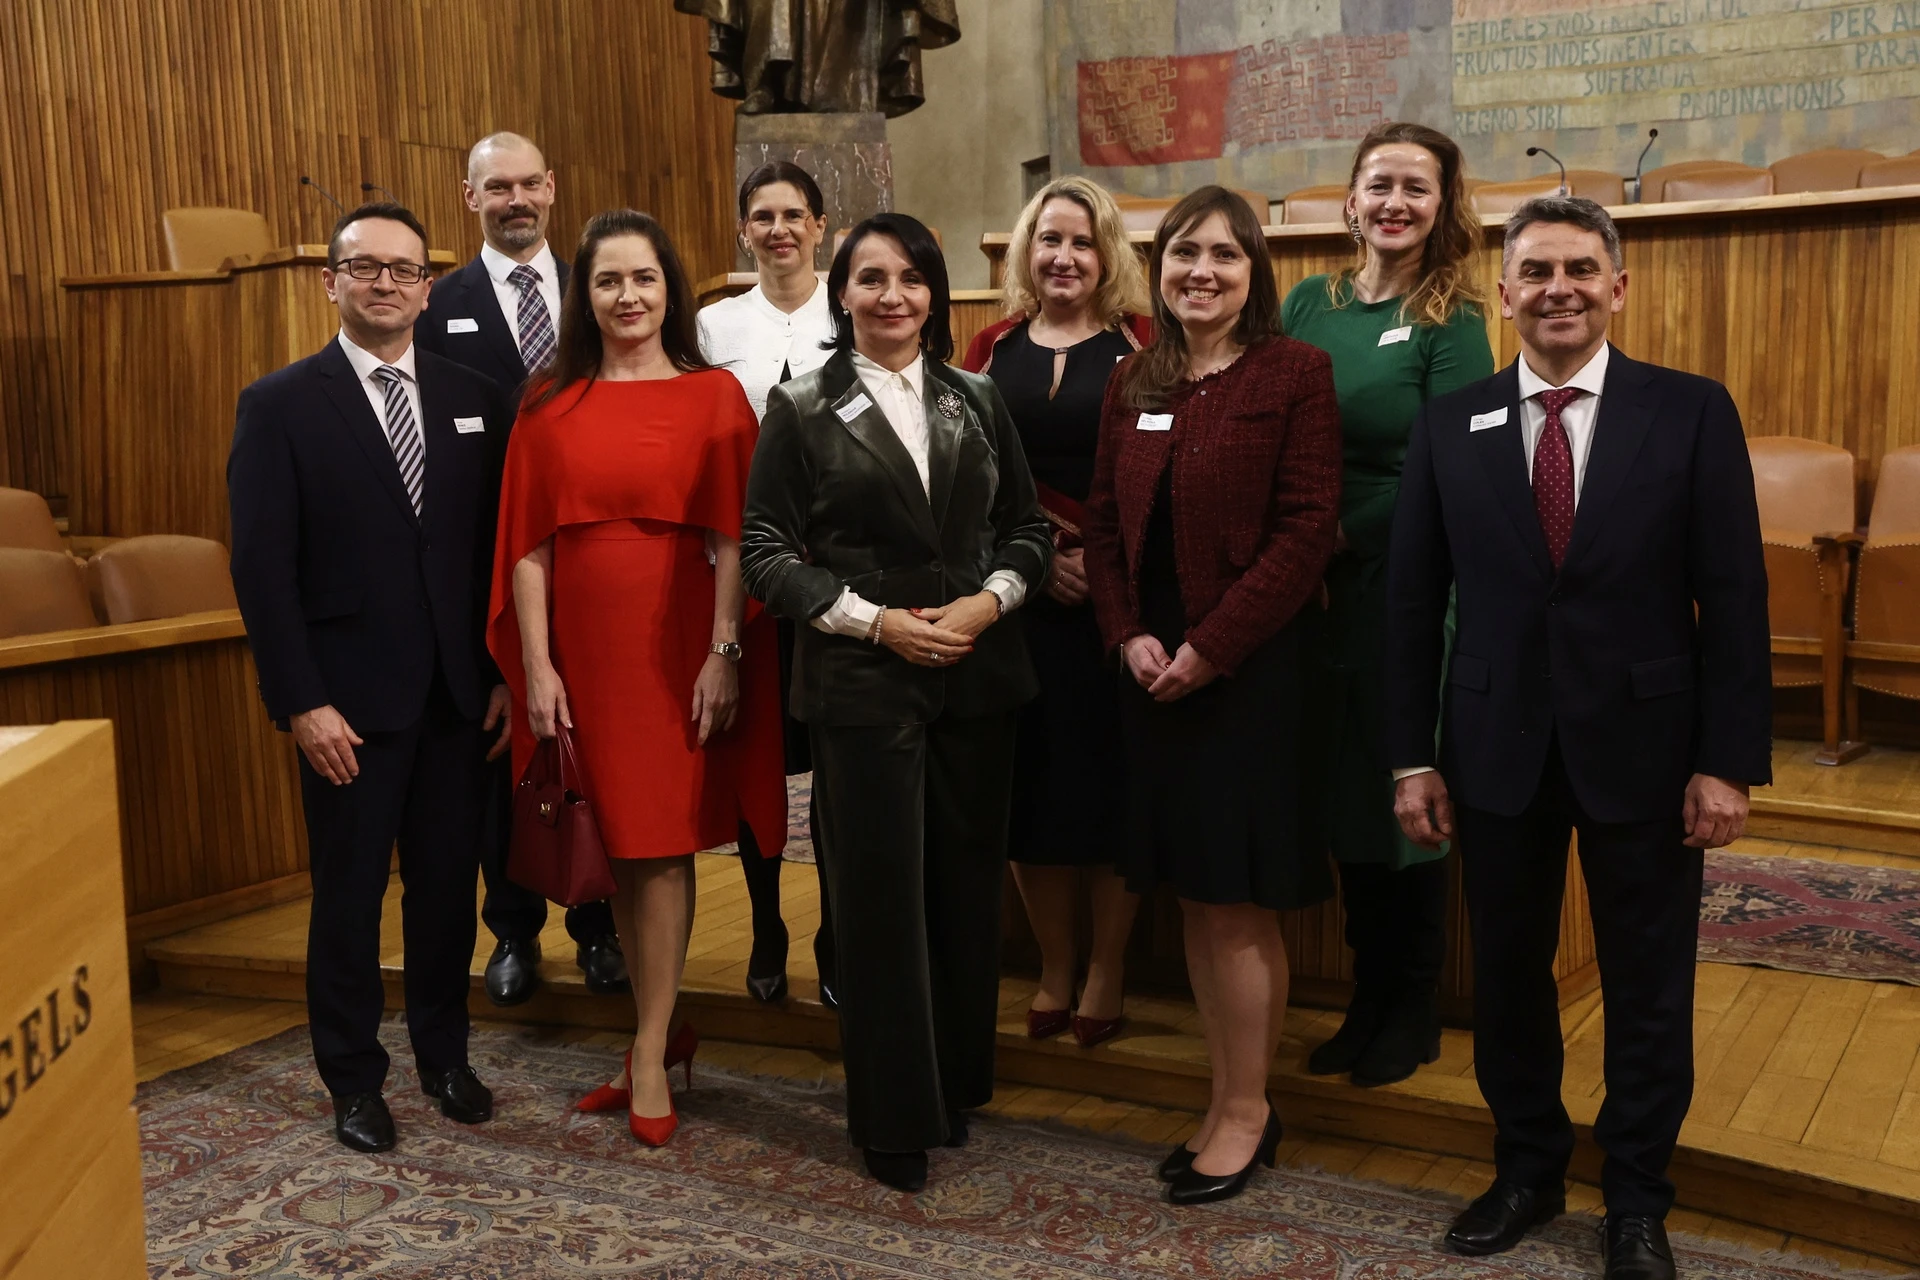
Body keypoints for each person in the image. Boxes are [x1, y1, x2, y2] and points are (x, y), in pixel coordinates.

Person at [1384, 196, 1770, 1280]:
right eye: (1538, 271)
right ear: (1504, 292)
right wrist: (1411, 754)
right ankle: (1527, 1170)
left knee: (1648, 986)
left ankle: (1637, 1198)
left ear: (1618, 287)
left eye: (1581, 270)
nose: (1560, 289)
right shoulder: (1449, 423)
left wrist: (1728, 760)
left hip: (1650, 751)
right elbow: (1410, 602)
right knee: (1508, 978)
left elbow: (1736, 596)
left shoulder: (1690, 411)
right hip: (1492, 749)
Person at [740, 212, 1051, 1193]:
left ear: (934, 292)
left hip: (977, 672)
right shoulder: (799, 405)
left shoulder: (977, 395)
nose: (892, 295)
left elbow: (1029, 529)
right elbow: (764, 555)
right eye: (871, 277)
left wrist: (988, 601)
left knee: (963, 892)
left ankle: (952, 1083)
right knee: (879, 904)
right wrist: (876, 623)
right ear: (842, 293)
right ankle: (892, 1113)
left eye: (912, 277)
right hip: (864, 681)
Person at [489, 209, 788, 1147]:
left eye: (644, 278)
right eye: (608, 280)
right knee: (616, 841)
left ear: (671, 290)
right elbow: (526, 548)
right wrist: (537, 666)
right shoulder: (546, 403)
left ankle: (652, 1047)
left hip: (675, 649)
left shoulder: (715, 397)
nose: (627, 296)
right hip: (582, 653)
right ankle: (658, 1032)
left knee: (660, 844)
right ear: (584, 295)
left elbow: (736, 539)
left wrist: (723, 652)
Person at [228, 202, 512, 1153]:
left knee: (447, 893)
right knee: (348, 901)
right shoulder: (279, 405)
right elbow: (262, 570)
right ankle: (353, 1079)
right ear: (331, 282)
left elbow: (491, 552)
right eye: (365, 267)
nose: (385, 283)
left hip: (458, 700)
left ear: (428, 288)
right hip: (346, 707)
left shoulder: (478, 396)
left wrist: (502, 676)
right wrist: (301, 701)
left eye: (404, 269)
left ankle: (445, 1056)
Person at [1082, 186, 1341, 1206]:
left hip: (1248, 674)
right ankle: (1226, 1095)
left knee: (1234, 900)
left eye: (1226, 255)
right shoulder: (1133, 378)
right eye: (1186, 252)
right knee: (1195, 892)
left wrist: (1211, 646)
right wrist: (1126, 633)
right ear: (1158, 269)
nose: (1203, 271)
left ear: (1254, 272)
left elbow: (1307, 528)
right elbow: (1103, 527)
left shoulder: (1294, 372)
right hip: (1152, 674)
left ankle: (1246, 1108)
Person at [1280, 122, 1494, 1087]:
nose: (1395, 202)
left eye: (1416, 187)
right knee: (1340, 790)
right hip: (1307, 588)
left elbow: (1451, 463)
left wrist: (1337, 536)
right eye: (1380, 184)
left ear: (1443, 206)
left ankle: (1411, 1003)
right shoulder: (1307, 302)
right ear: (1351, 199)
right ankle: (1367, 991)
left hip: (1403, 579)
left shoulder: (1455, 317)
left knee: (1403, 787)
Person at [413, 130, 625, 1007]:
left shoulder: (599, 288)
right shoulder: (438, 304)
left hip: (591, 557)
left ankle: (599, 925)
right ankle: (512, 928)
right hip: (482, 562)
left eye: (529, 184)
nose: (516, 201)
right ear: (471, 198)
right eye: (497, 187)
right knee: (505, 752)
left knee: (594, 745)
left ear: (552, 187)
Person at [959, 176, 1151, 1049]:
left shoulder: (1145, 344)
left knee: (1113, 794)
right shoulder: (989, 348)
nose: (1064, 256)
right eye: (1049, 240)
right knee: (1032, 796)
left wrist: (1095, 565)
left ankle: (1108, 967)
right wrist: (1038, 563)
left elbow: (1162, 471)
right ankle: (1056, 965)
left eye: (1081, 241)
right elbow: (964, 472)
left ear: (1107, 254)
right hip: (1021, 602)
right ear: (1025, 253)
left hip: (1121, 605)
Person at [695, 161, 838, 1007]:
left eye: (793, 215)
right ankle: (765, 922)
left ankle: (834, 930)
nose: (778, 229)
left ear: (820, 226)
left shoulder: (850, 311)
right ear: (743, 229)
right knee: (761, 757)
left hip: (839, 570)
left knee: (832, 759)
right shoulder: (713, 326)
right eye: (762, 216)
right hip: (745, 570)